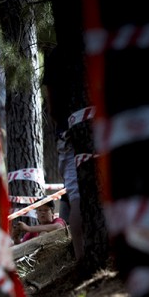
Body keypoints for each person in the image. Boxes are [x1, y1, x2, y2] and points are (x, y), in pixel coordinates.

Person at [42, 43, 84, 261]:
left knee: (76, 195)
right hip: (93, 126)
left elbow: (51, 104)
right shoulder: (90, 42)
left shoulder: (57, 54)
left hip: (67, 131)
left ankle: (82, 259)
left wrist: (60, 126)